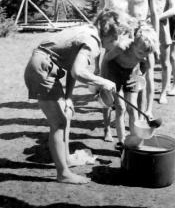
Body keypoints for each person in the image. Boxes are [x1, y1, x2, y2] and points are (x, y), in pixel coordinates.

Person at [24, 24, 116, 184]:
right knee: (58, 124)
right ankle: (63, 173)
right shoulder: (93, 42)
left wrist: (68, 98)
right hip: (41, 69)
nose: (115, 44)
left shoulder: (90, 30)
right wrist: (104, 82)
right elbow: (78, 72)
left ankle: (66, 158)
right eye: (116, 39)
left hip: (44, 66)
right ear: (110, 36)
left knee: (66, 114)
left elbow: (73, 67)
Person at [95, 7, 159, 149]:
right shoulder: (122, 47)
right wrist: (103, 82)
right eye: (140, 52)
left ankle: (134, 141)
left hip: (132, 73)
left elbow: (146, 72)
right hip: (114, 73)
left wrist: (148, 108)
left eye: (146, 54)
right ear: (134, 43)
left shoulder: (147, 52)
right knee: (120, 108)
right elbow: (105, 60)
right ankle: (122, 142)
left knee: (132, 108)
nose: (143, 56)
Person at [113, 0, 159, 121]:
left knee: (147, 72)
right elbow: (115, 12)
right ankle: (125, 112)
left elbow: (154, 14)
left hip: (144, 34)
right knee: (127, 74)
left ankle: (147, 110)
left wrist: (156, 43)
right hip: (126, 35)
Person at [99, 0, 129, 142]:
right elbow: (102, 4)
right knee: (106, 83)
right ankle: (106, 129)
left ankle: (124, 122)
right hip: (108, 29)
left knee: (123, 80)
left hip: (124, 27)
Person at [147, 0, 175, 104]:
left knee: (165, 63)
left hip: (163, 28)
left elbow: (174, 9)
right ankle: (146, 90)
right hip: (147, 28)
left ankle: (164, 92)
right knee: (147, 62)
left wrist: (158, 16)